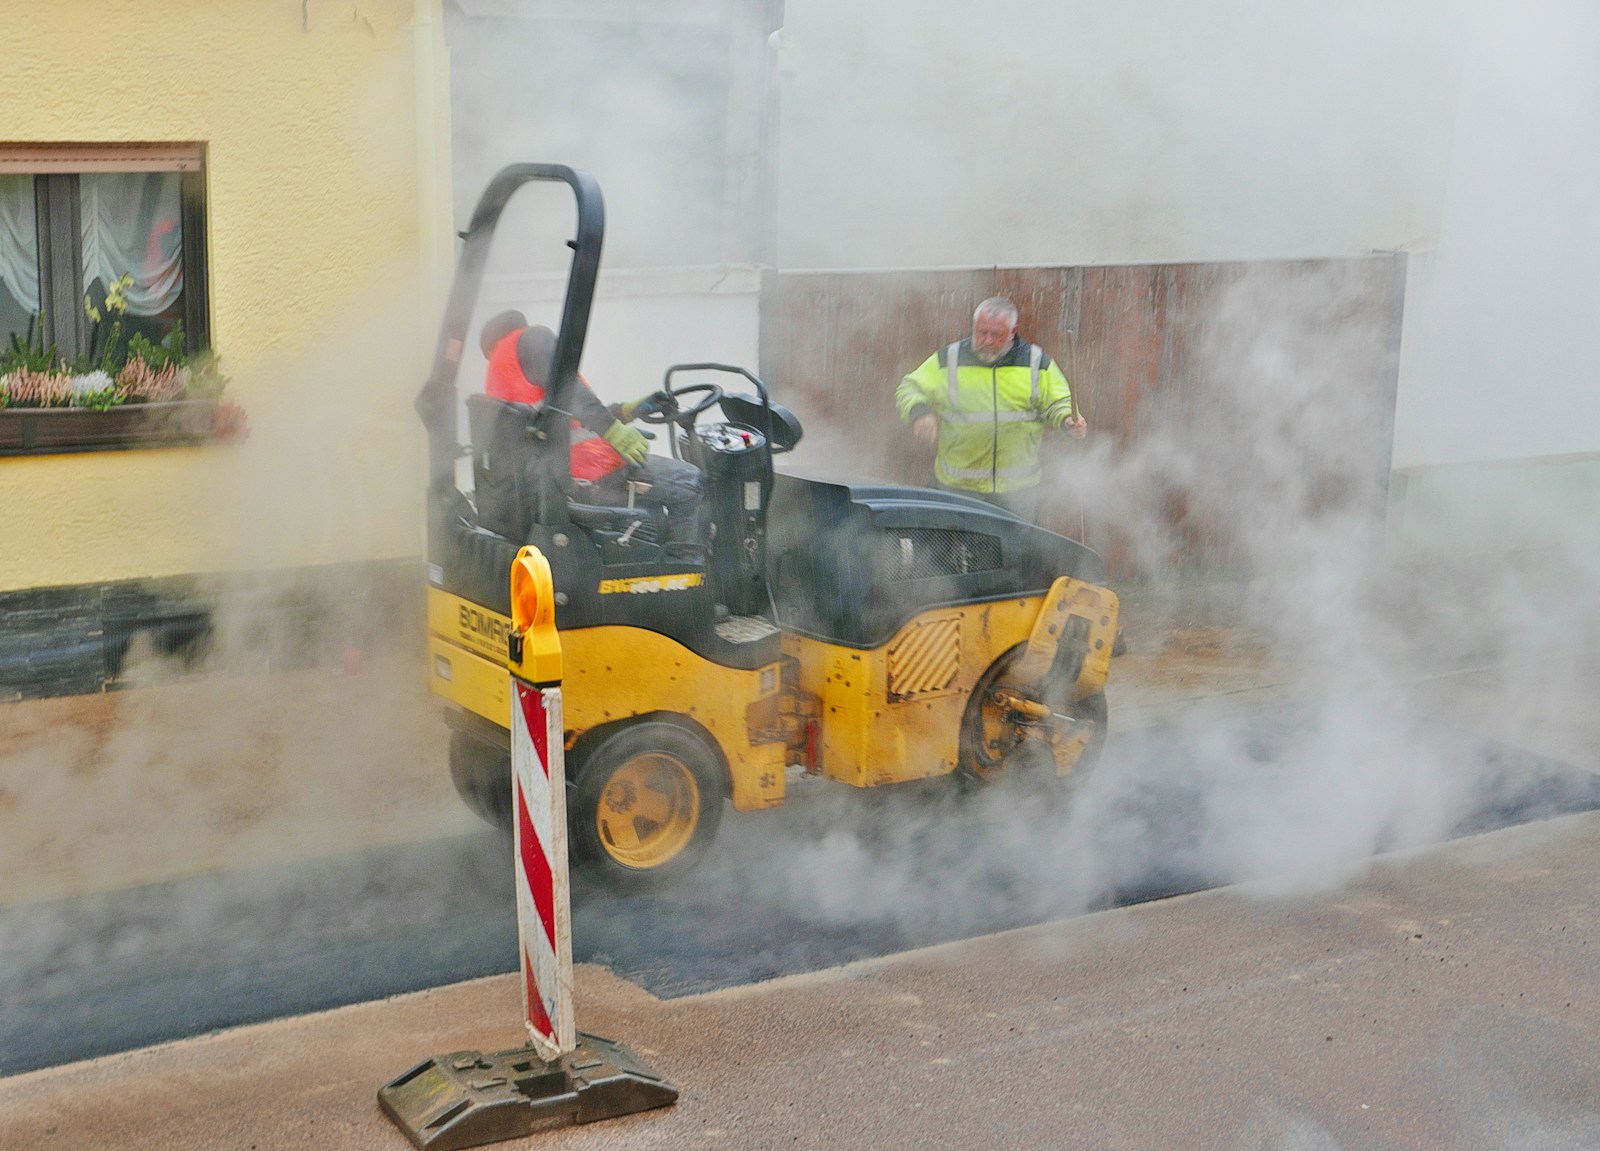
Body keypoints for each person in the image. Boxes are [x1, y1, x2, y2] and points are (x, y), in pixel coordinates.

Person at [479, 310, 708, 556]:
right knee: (692, 483)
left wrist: (626, 411)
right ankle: (688, 574)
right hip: (588, 475)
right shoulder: (530, 339)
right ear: (520, 327)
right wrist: (613, 431)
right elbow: (572, 393)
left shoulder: (500, 374)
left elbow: (564, 417)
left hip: (557, 477)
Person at [895, 296, 1086, 524]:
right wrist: (920, 412)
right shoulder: (950, 359)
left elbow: (1059, 402)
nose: (986, 340)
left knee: (1016, 558)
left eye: (996, 335)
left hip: (1018, 494)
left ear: (1013, 331)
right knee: (946, 557)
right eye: (981, 332)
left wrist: (1068, 420)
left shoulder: (1036, 362)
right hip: (957, 490)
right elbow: (909, 387)